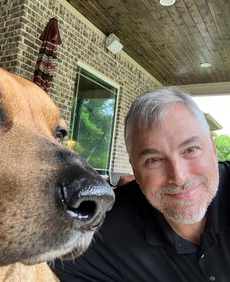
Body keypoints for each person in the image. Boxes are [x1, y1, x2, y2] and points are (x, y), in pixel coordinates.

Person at [50, 87, 230, 281]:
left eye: (191, 150)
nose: (179, 177)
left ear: (212, 148)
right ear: (135, 169)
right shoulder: (102, 231)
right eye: (154, 160)